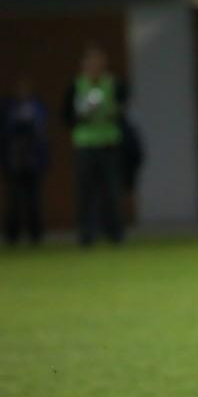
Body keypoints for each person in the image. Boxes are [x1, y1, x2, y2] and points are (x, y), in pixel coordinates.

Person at [62, 44, 128, 246]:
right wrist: (81, 115)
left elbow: (124, 111)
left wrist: (113, 112)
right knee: (85, 192)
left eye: (98, 62)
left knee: (112, 192)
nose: (94, 67)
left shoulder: (113, 84)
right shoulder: (76, 85)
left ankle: (115, 235)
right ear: (84, 65)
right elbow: (65, 116)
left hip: (109, 145)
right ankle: (86, 236)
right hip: (85, 146)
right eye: (90, 62)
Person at [1, 77, 48, 245]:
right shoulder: (8, 107)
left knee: (34, 201)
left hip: (33, 161)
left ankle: (35, 235)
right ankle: (12, 236)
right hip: (13, 161)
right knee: (13, 201)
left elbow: (42, 132)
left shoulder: (37, 107)